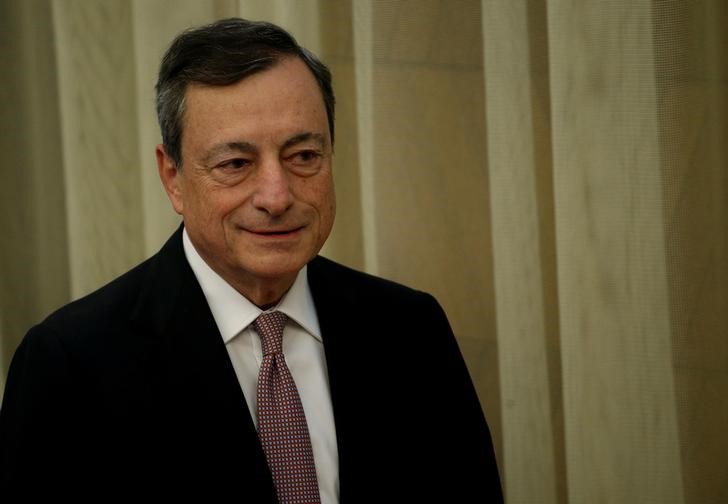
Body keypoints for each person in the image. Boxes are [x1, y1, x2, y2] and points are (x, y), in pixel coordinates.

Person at [0, 17, 503, 502]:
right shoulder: (70, 364)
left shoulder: (410, 330)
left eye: (303, 156)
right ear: (173, 177)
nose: (276, 195)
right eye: (235, 164)